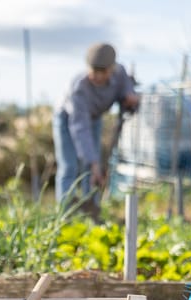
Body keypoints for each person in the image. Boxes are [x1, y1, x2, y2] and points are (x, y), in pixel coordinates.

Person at [53, 42, 139, 212]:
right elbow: (80, 128)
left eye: (103, 72)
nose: (98, 77)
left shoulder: (120, 73)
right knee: (70, 165)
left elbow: (127, 91)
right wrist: (93, 163)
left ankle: (91, 209)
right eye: (94, 71)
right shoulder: (79, 88)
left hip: (95, 118)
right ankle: (65, 211)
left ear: (112, 68)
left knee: (91, 168)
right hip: (68, 118)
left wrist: (131, 99)